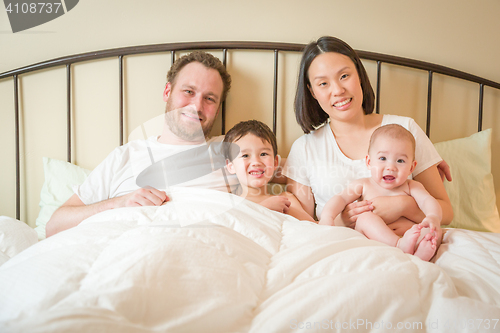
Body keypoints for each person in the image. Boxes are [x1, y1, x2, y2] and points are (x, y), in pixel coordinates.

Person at [46, 51, 234, 237]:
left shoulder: (233, 154)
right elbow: (54, 227)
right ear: (167, 92)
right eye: (188, 91)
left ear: (217, 111)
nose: (197, 106)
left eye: (209, 99)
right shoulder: (125, 155)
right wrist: (117, 204)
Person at [283, 36, 453, 238]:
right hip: (343, 251)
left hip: (410, 245)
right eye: (323, 83)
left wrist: (403, 205)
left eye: (344, 76)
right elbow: (305, 224)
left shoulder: (405, 129)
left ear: (360, 75)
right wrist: (342, 219)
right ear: (312, 92)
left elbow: (447, 213)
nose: (338, 90)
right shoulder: (305, 148)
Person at [320, 124, 441, 261]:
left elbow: (427, 200)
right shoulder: (363, 184)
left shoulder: (412, 186)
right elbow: (340, 198)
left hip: (409, 237)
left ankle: (419, 252)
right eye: (383, 158)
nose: (391, 167)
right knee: (365, 218)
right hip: (375, 240)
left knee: (433, 229)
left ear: (411, 167)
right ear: (369, 162)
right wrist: (327, 217)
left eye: (400, 161)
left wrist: (433, 216)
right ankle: (399, 245)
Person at [223, 120, 315, 222]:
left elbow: (309, 226)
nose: (256, 162)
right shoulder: (230, 202)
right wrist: (264, 208)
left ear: (275, 162)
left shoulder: (286, 200)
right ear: (231, 166)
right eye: (245, 155)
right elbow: (232, 227)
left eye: (263, 154)